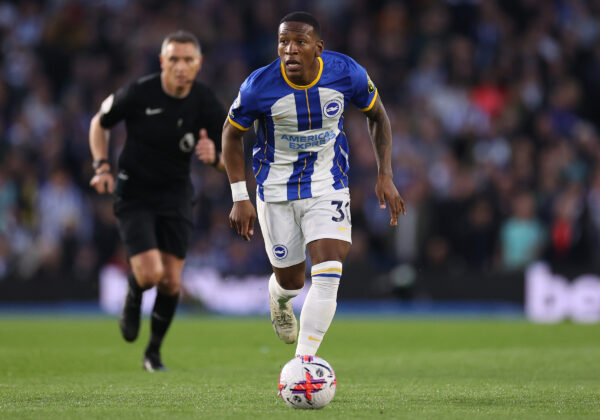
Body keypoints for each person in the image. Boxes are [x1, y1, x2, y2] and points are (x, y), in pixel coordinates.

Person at [222, 12, 406, 357]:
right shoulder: (258, 87)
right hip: (275, 191)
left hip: (328, 184)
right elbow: (231, 135)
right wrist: (239, 196)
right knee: (292, 281)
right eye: (283, 42)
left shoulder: (347, 73)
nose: (290, 50)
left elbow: (377, 116)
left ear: (318, 48)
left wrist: (385, 175)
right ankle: (278, 297)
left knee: (328, 271)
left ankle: (304, 363)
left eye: (300, 43)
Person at [89, 30, 226, 371]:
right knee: (150, 274)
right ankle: (134, 296)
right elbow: (99, 123)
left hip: (176, 194)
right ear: (163, 61)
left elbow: (230, 156)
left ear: (199, 64)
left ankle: (153, 352)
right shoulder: (139, 92)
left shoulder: (206, 102)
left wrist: (215, 158)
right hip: (134, 192)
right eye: (174, 59)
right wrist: (101, 165)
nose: (181, 66)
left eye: (188, 60)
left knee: (171, 282)